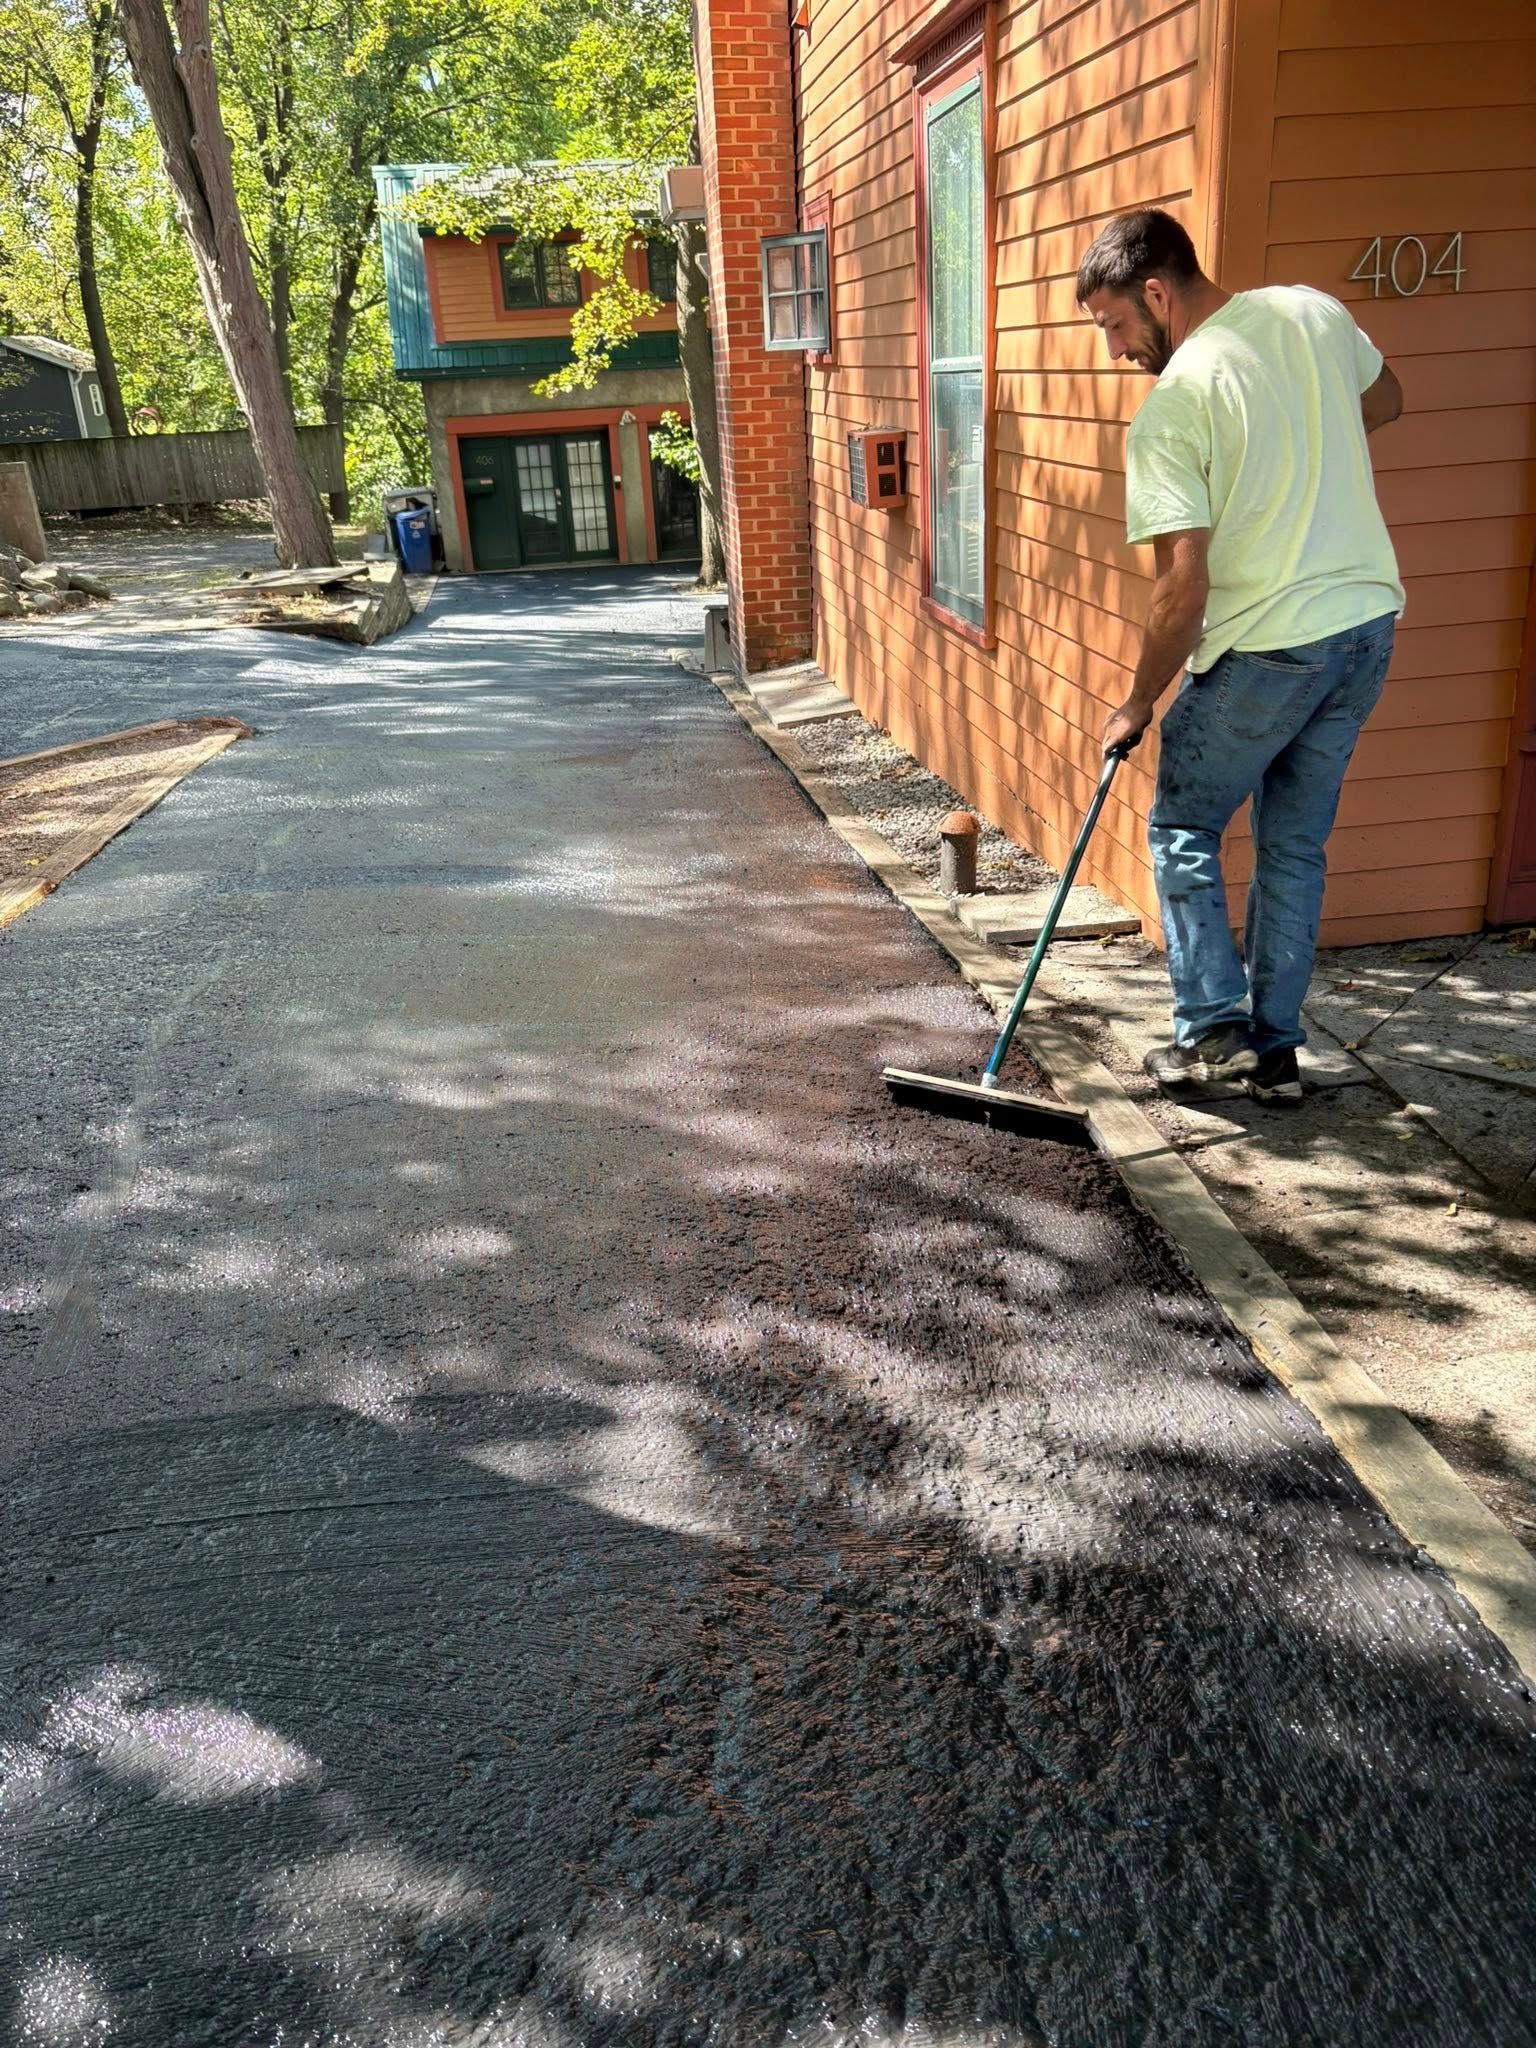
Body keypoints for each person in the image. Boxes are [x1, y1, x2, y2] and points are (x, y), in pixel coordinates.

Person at [1075, 209, 1404, 1102]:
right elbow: (1387, 401)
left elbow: (1182, 587)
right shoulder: (1310, 312)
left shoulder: (1176, 409)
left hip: (1270, 647)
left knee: (1183, 827)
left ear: (1155, 292)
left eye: (1114, 326)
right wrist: (1301, 458)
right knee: (1294, 846)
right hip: (1367, 623)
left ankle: (1216, 1035)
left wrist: (1139, 701)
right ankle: (1277, 1053)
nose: (1115, 351)